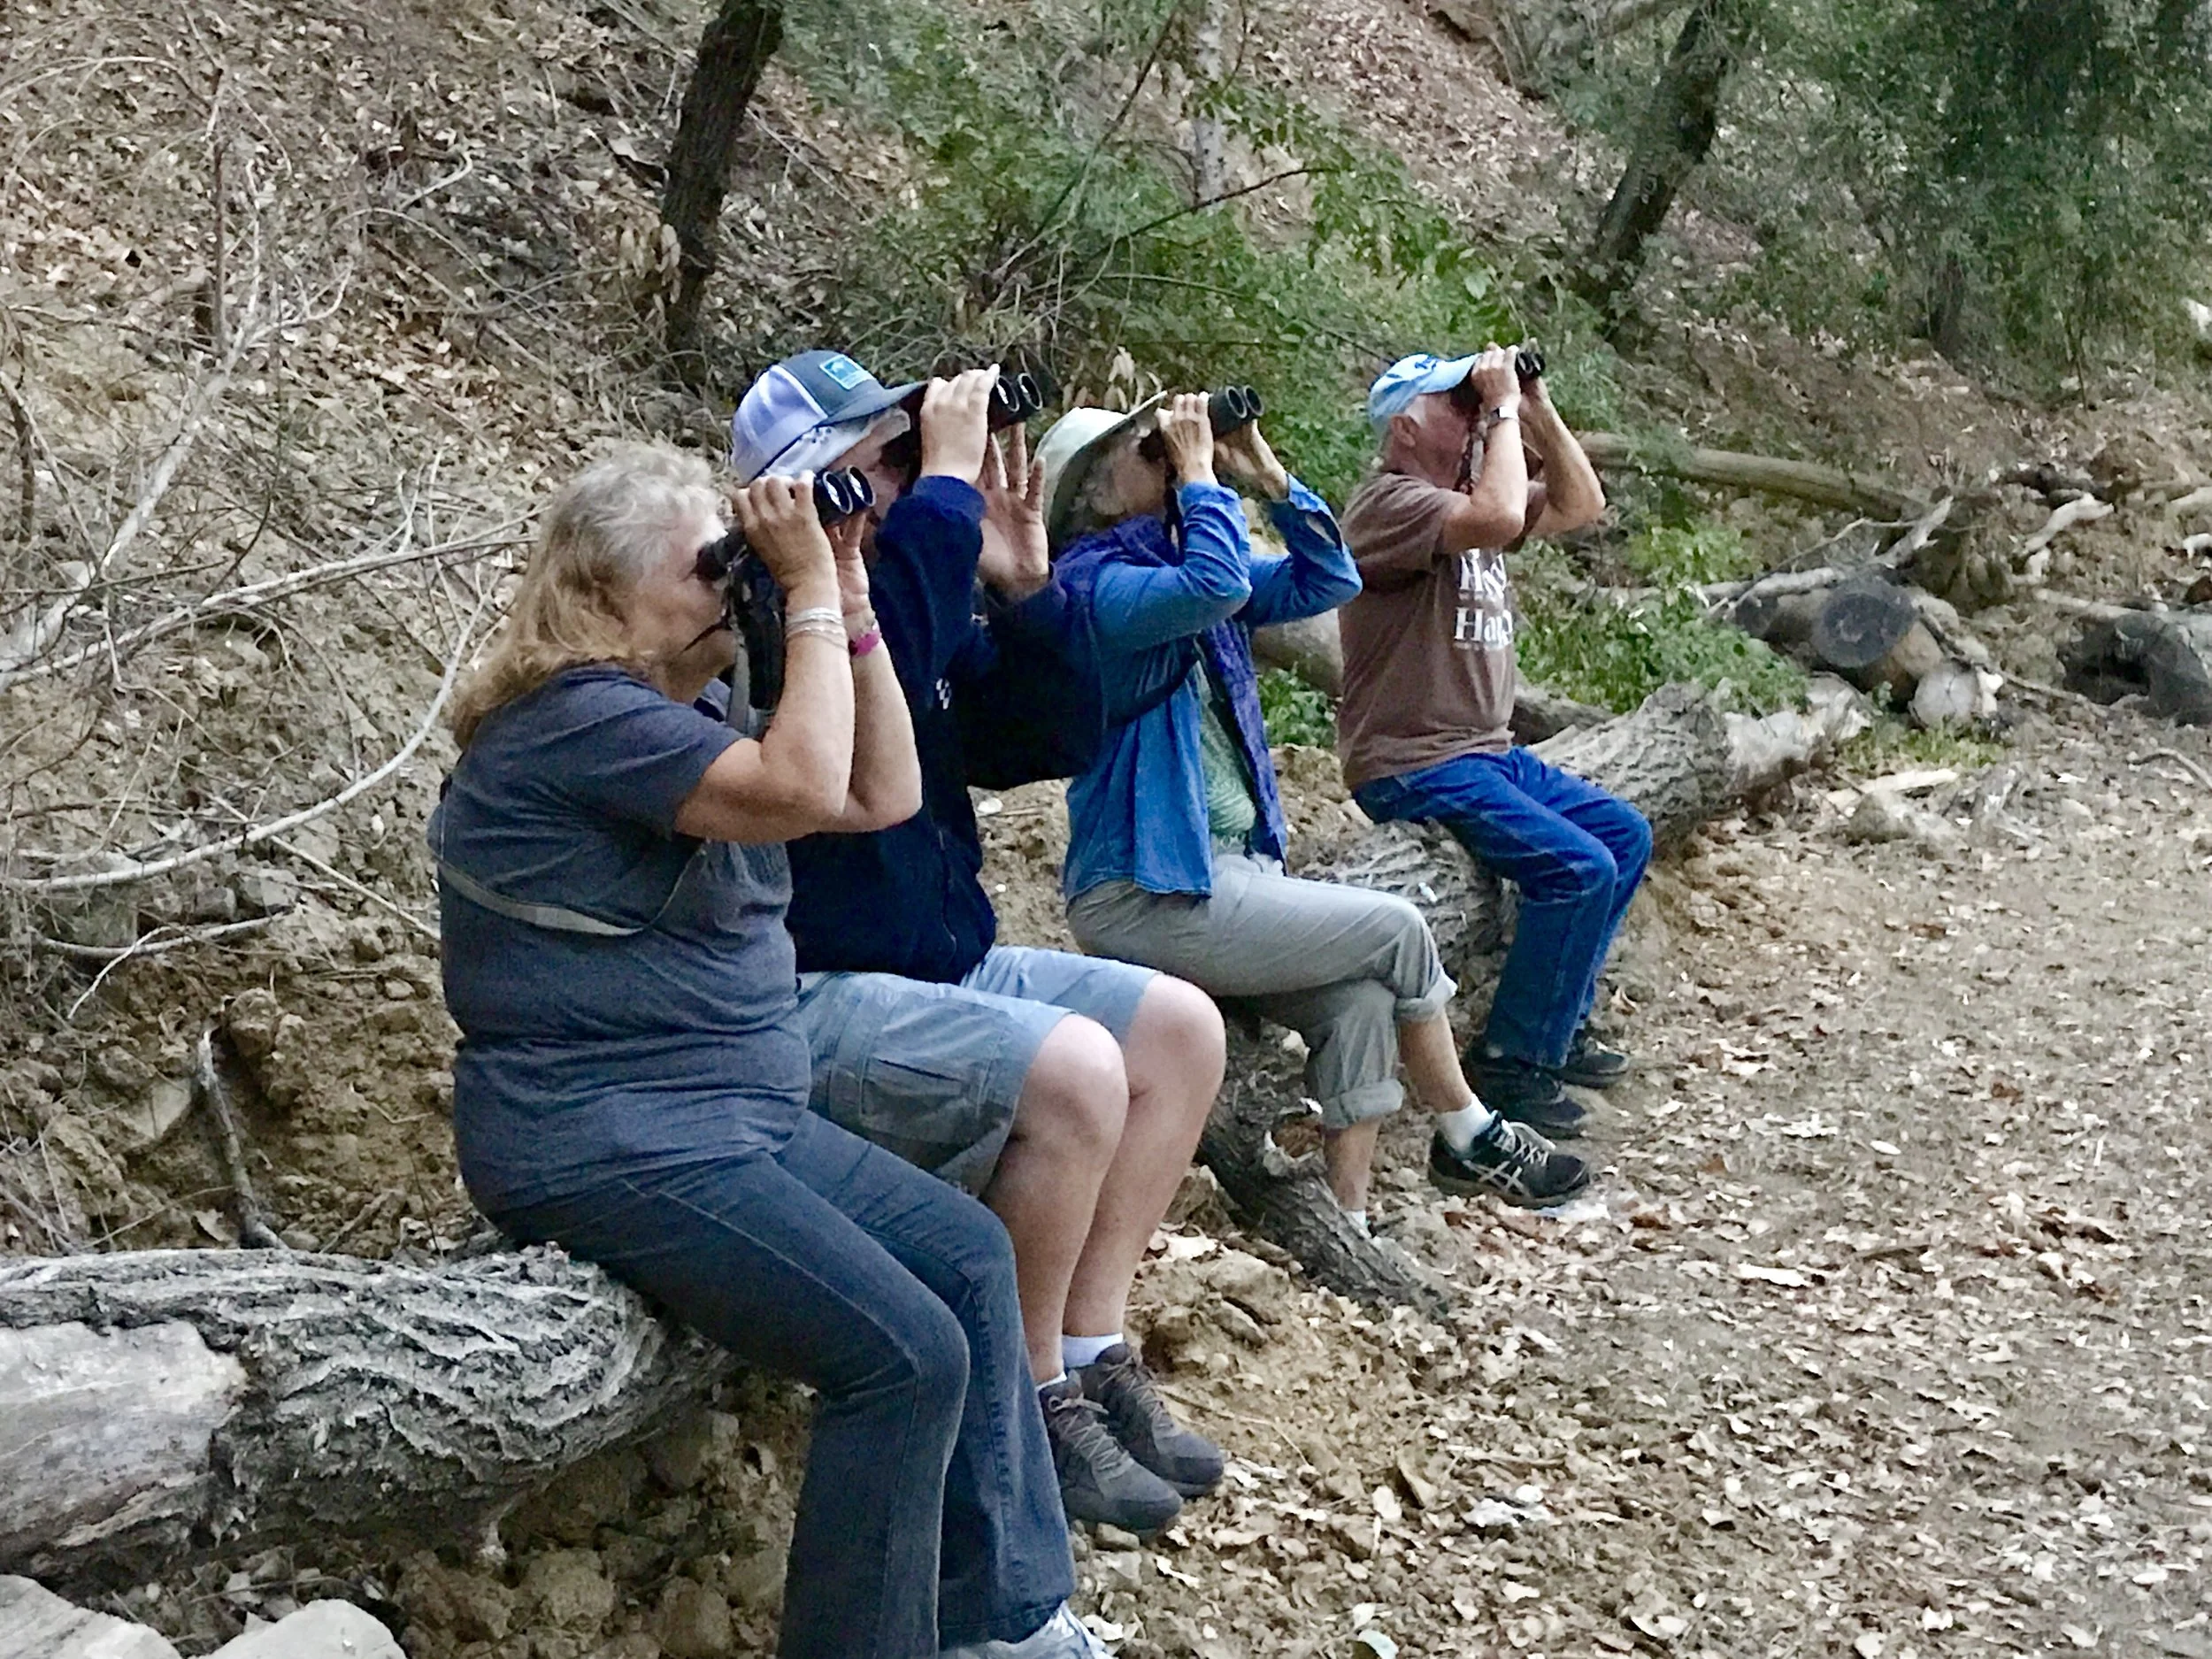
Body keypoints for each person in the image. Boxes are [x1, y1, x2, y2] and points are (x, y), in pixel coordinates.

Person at [429, 446, 1101, 1659]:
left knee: (966, 1254)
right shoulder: (578, 718)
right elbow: (801, 786)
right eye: (712, 569)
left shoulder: (684, 713)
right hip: (608, 1134)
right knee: (902, 1357)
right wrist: (800, 586)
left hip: (729, 1114)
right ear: (604, 593)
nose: (733, 586)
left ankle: (993, 1618)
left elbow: (883, 788)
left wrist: (842, 588)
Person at [727, 353, 1229, 1537]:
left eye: (910, 460)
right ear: (804, 488)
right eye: (884, 463)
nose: (910, 484)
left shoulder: (908, 587)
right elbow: (870, 663)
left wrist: (1030, 592)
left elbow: (1043, 734)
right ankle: (1031, 1390)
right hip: (814, 981)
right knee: (1076, 1069)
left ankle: (1095, 1345)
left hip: (938, 962)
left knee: (1179, 1030)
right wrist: (946, 493)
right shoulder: (765, 602)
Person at [1033, 394, 1592, 1226]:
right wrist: (1195, 477)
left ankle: (1347, 1220)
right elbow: (1219, 583)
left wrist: (1267, 477)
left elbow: (1329, 578)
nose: (1164, 454)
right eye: (1139, 452)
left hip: (1225, 875)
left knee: (1360, 1002)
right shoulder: (1096, 588)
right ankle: (1469, 1130)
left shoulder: (1177, 569)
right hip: (1146, 889)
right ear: (1092, 496)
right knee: (1400, 928)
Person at [1338, 347, 1646, 1138]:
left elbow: (1582, 503)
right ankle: (1511, 1062)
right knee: (1578, 870)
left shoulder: (1471, 496)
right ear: (1404, 427)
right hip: (1415, 760)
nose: (1474, 414)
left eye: (1473, 401)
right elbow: (1503, 517)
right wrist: (1504, 408)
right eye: (1455, 404)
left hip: (1483, 752)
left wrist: (1533, 403)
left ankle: (1557, 1024)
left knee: (1623, 834)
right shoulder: (1392, 501)